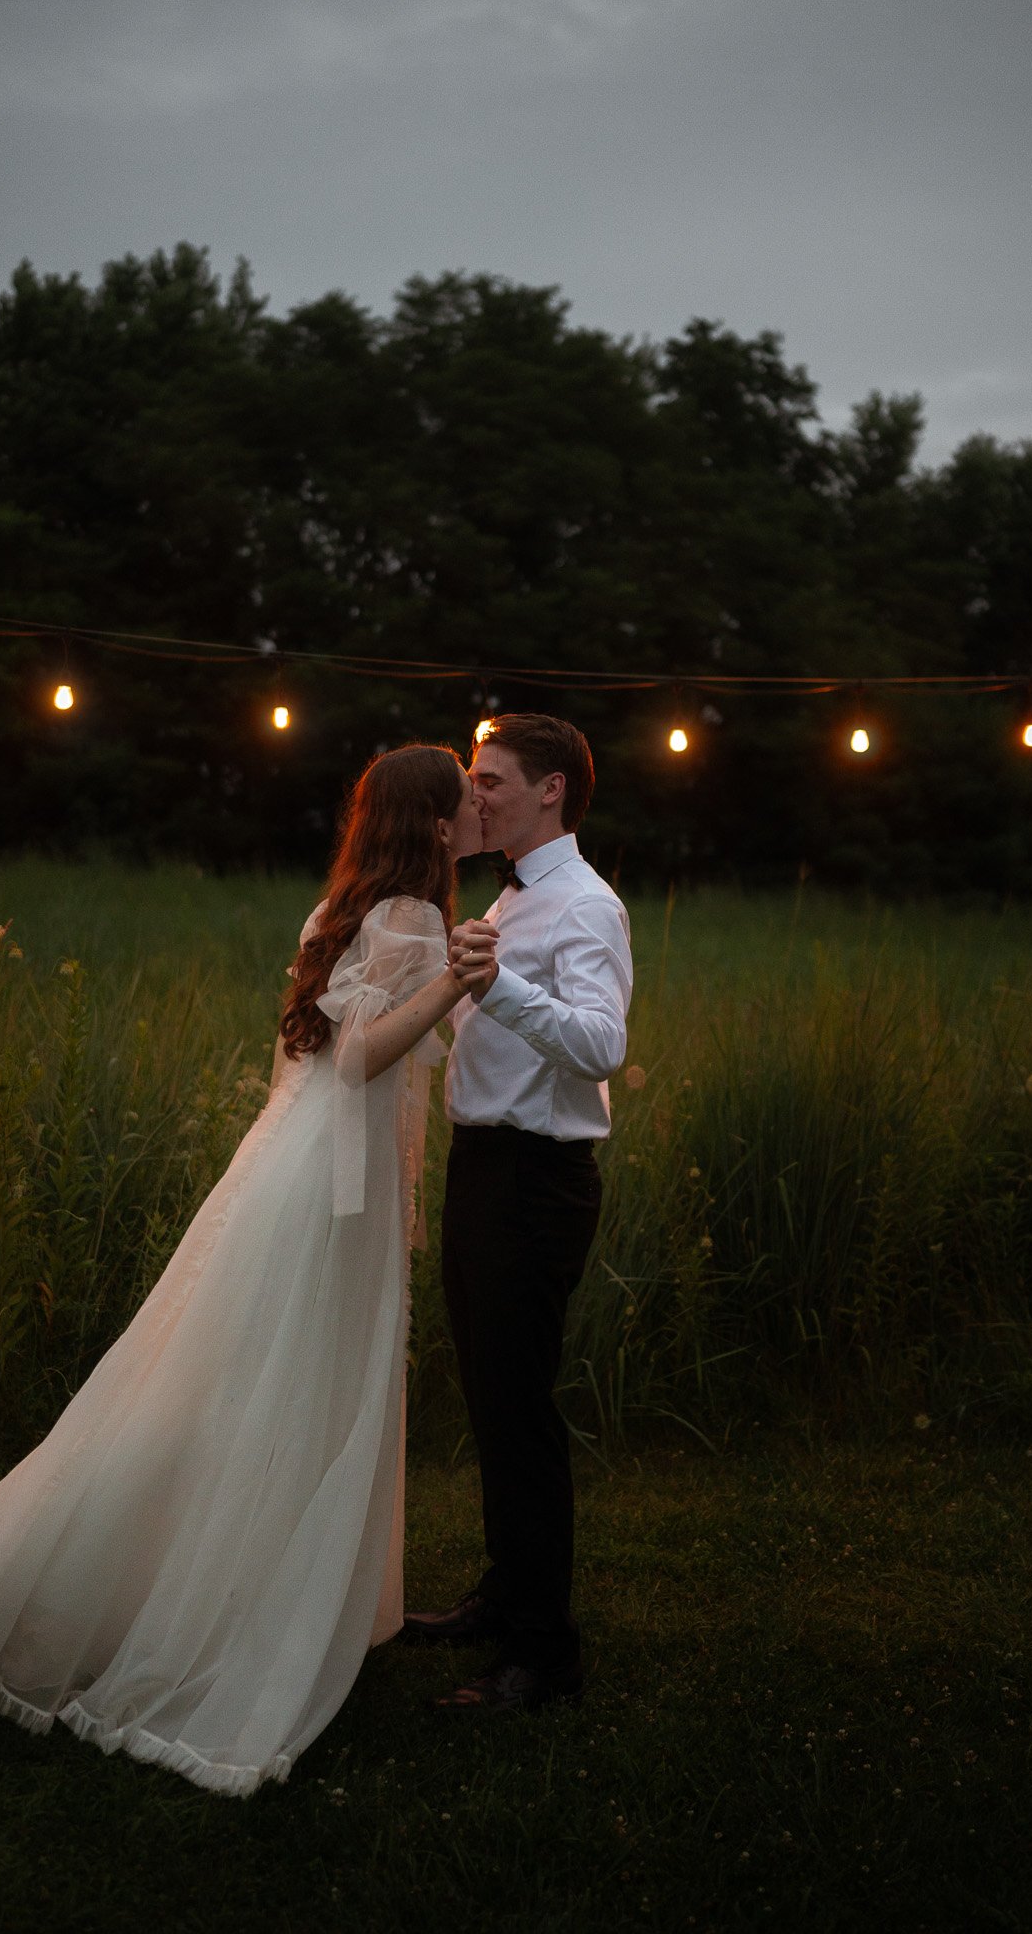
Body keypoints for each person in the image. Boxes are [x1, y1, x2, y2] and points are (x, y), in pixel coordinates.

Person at [0, 744, 484, 1797]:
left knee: (233, 1380)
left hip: (289, 1168)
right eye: (461, 802)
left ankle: (219, 1581)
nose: (475, 812)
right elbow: (355, 1060)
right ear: (433, 824)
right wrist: (451, 983)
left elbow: (295, 1071)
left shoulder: (339, 904)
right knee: (302, 1387)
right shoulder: (418, 923)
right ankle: (246, 1616)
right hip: (328, 1189)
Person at [402, 714, 633, 1712]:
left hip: (537, 1180)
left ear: (550, 791)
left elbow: (599, 1044)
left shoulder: (585, 906)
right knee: (492, 1399)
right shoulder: (505, 897)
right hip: (481, 1167)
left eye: (491, 779)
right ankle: (504, 1597)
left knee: (520, 1409)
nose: (475, 793)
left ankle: (544, 1655)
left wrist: (495, 988)